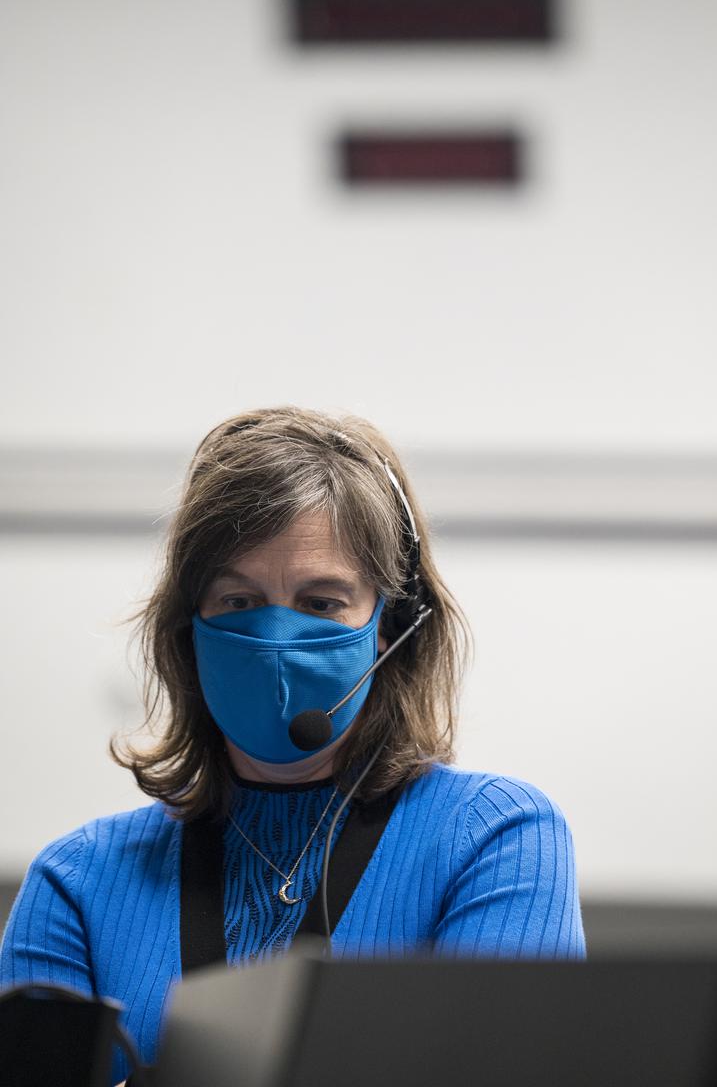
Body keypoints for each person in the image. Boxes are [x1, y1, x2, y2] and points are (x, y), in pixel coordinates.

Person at [0, 407, 585, 1083]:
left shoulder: (495, 840)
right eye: (238, 600)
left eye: (321, 602)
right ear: (187, 633)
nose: (277, 639)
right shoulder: (76, 886)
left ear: (392, 627)